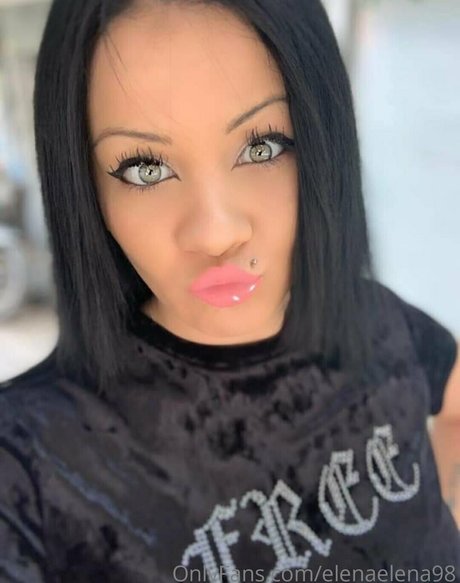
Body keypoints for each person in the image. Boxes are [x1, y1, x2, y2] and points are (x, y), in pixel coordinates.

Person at [0, 0, 459, 581]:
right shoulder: (29, 464)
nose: (216, 233)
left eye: (262, 146)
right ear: (86, 188)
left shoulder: (380, 323)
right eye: (145, 169)